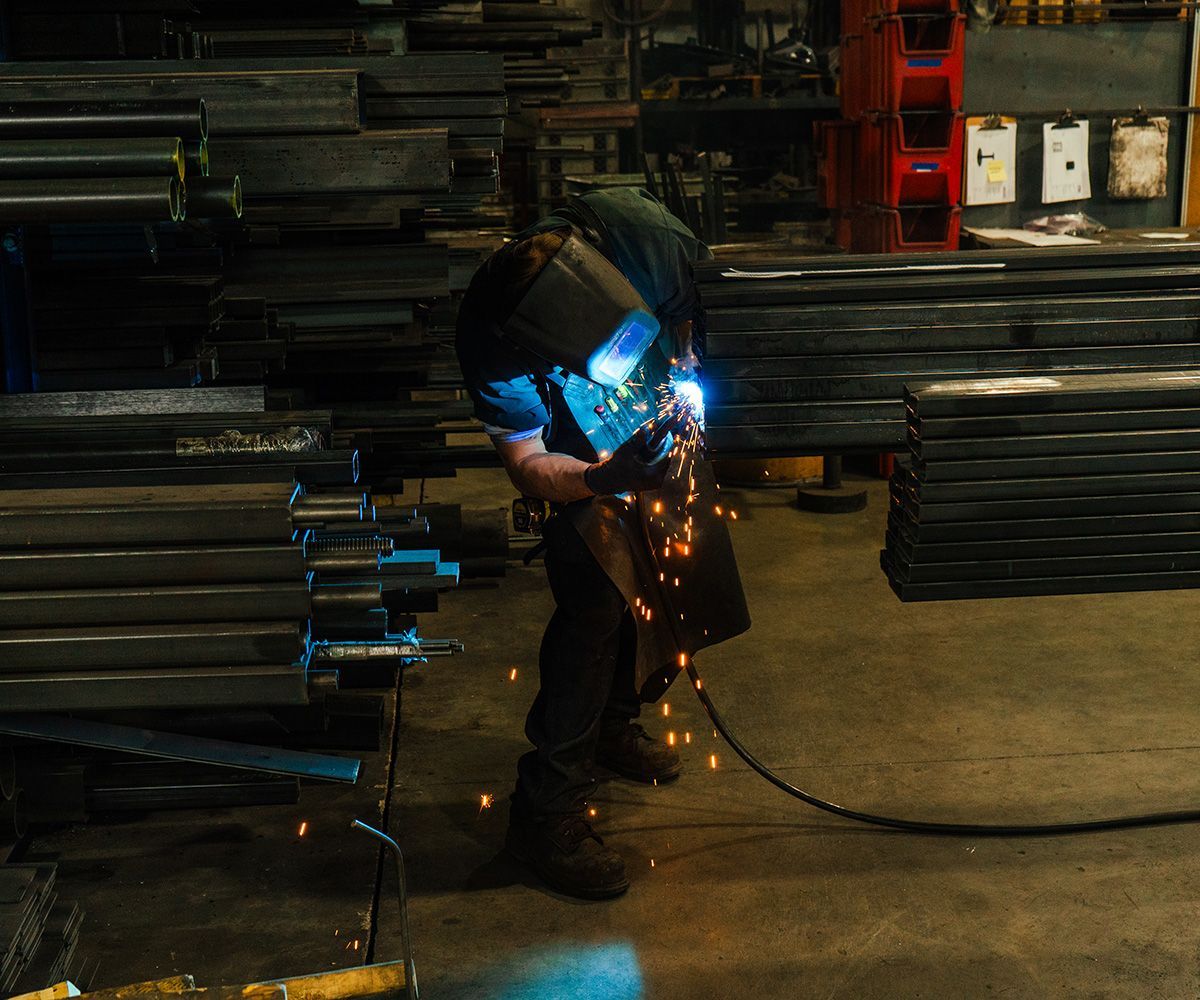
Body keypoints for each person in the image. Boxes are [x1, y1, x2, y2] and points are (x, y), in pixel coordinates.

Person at [455, 187, 712, 900]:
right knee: (596, 590)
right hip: (577, 449)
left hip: (654, 402)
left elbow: (701, 302)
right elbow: (530, 465)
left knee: (667, 555)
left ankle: (613, 725)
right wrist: (604, 479)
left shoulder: (645, 238)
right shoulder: (493, 341)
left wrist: (686, 357)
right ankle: (545, 814)